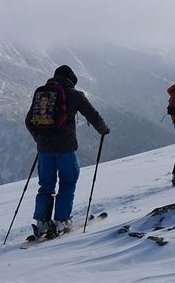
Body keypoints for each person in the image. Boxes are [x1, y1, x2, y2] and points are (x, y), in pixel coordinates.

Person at [26, 65, 109, 236]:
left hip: (43, 151)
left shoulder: (43, 94)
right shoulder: (74, 95)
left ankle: (41, 223)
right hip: (65, 149)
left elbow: (29, 121)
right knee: (68, 182)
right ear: (71, 80)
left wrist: (39, 138)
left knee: (46, 185)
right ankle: (61, 221)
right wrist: (103, 129)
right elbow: (92, 115)